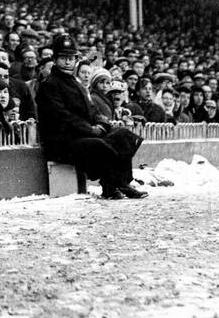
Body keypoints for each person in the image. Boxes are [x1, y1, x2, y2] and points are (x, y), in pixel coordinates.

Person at [34, 34, 146, 200]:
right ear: (56, 59)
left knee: (123, 135)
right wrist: (90, 129)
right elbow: (62, 116)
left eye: (71, 58)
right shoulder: (49, 85)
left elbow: (91, 109)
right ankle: (116, 183)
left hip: (82, 135)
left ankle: (117, 184)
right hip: (63, 141)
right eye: (63, 58)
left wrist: (102, 124)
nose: (67, 62)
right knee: (99, 145)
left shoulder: (76, 82)